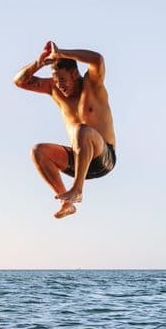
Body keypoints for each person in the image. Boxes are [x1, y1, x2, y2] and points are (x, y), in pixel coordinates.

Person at [14, 41, 117, 219]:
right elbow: (20, 81)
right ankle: (66, 203)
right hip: (78, 159)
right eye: (55, 79)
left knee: (81, 130)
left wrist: (62, 52)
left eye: (62, 79)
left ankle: (77, 189)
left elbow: (97, 59)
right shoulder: (54, 89)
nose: (59, 85)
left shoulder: (92, 84)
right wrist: (39, 63)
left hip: (103, 157)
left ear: (75, 74)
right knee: (38, 151)